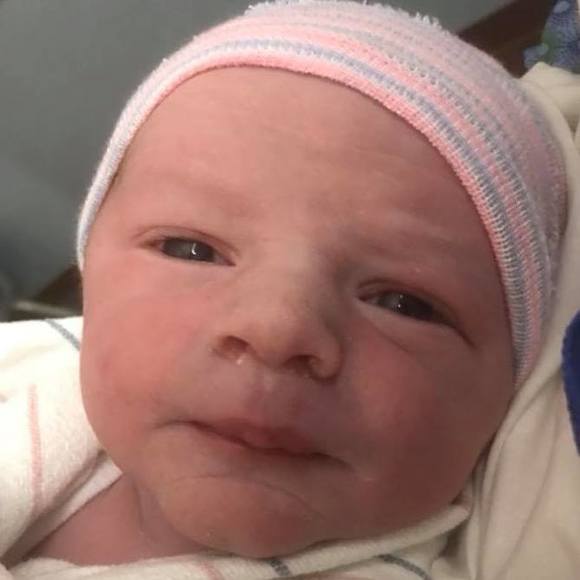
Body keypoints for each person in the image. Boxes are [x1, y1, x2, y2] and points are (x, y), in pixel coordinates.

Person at [1, 1, 579, 578]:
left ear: (510, 391)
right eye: (192, 250)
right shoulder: (33, 377)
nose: (276, 329)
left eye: (402, 304)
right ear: (90, 276)